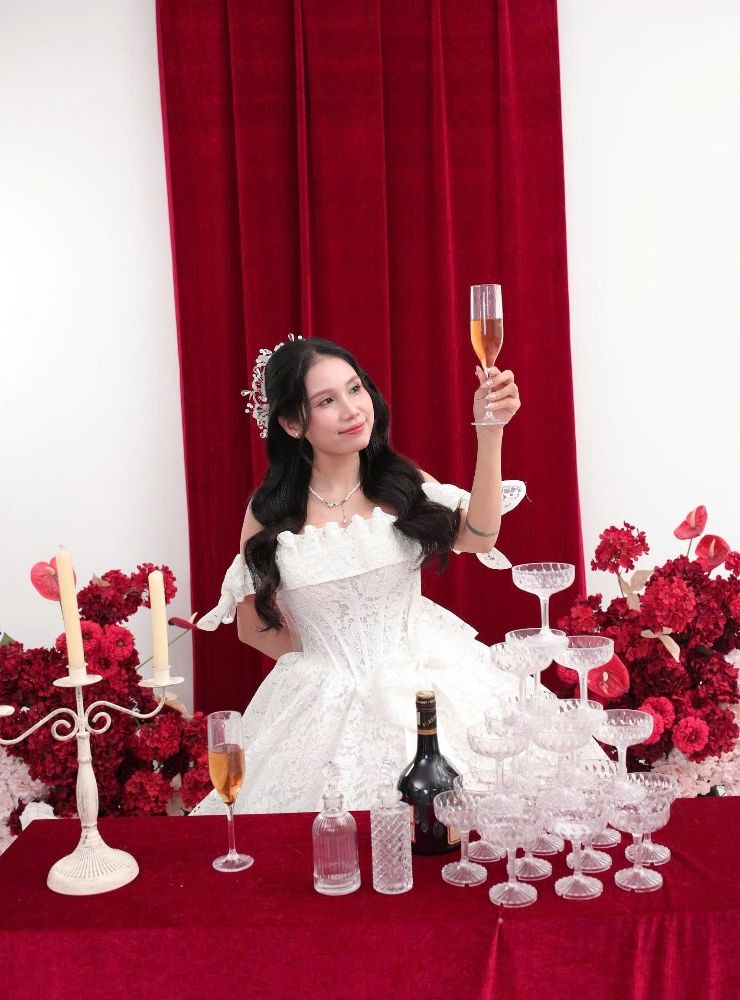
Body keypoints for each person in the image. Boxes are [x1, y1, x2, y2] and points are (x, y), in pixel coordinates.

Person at [192, 336, 523, 814]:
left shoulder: (401, 481)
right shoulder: (269, 514)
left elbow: (480, 536)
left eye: (354, 389)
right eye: (326, 401)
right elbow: (252, 627)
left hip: (427, 683)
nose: (351, 410)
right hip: (323, 703)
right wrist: (330, 667)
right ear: (291, 423)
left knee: (468, 821)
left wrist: (490, 432)